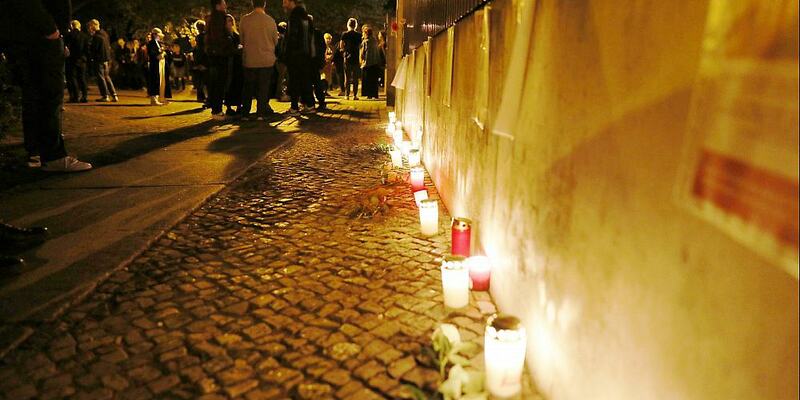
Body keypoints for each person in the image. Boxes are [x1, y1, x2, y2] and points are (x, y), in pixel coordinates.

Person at [0, 0, 93, 172]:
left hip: (32, 37)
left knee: (35, 97)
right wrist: (51, 30)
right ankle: (53, 155)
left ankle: (36, 152)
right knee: (49, 96)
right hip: (41, 38)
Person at [239, 0, 279, 120]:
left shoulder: (245, 20)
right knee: (263, 87)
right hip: (266, 59)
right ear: (264, 4)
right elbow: (275, 41)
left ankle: (245, 113)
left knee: (248, 87)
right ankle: (260, 113)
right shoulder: (270, 20)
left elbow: (242, 40)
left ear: (253, 4)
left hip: (249, 59)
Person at [281, 0, 316, 116]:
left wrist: (287, 53)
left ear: (292, 2)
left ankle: (294, 108)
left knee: (294, 81)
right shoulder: (306, 17)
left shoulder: (294, 16)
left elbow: (293, 37)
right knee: (305, 80)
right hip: (306, 54)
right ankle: (309, 105)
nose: (283, 4)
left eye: (285, 1)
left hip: (295, 54)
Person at [205, 0, 236, 120]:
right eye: (223, 3)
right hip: (220, 56)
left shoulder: (212, 18)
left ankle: (216, 109)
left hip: (214, 55)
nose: (225, 5)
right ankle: (217, 110)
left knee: (216, 83)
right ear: (218, 6)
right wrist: (230, 45)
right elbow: (220, 38)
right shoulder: (219, 18)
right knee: (219, 84)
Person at [88, 19, 118, 102]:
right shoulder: (105, 34)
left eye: (90, 26)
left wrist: (91, 55)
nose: (90, 28)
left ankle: (105, 95)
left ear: (94, 25)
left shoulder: (96, 36)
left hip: (99, 59)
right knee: (107, 76)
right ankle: (114, 94)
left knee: (100, 77)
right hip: (106, 59)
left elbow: (94, 49)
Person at [64, 20, 90, 103]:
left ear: (72, 26)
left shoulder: (69, 35)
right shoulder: (85, 36)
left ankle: (75, 96)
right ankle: (84, 96)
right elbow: (87, 49)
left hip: (71, 59)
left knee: (72, 78)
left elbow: (65, 47)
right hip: (82, 59)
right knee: (82, 78)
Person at [224, 14, 243, 116]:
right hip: (229, 62)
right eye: (227, 21)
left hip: (237, 63)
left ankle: (239, 105)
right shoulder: (224, 36)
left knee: (238, 83)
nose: (229, 23)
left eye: (230, 21)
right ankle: (229, 106)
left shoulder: (236, 35)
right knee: (229, 84)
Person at [308, 15, 327, 111]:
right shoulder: (318, 33)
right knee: (316, 81)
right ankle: (320, 102)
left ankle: (312, 102)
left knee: (311, 82)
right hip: (315, 60)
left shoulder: (307, 33)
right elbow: (323, 47)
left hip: (310, 60)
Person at [341, 18, 361, 100]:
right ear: (355, 25)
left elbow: (341, 45)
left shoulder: (344, 34)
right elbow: (360, 46)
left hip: (347, 57)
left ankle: (347, 95)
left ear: (348, 25)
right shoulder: (359, 35)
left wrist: (344, 51)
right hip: (356, 57)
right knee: (355, 77)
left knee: (347, 77)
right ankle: (355, 95)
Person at [147, 28, 168, 106]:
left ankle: (158, 97)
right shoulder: (151, 43)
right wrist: (160, 53)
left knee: (158, 80)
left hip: (159, 64)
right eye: (159, 35)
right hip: (154, 64)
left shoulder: (157, 42)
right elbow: (153, 54)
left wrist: (163, 52)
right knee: (154, 80)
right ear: (155, 35)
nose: (160, 37)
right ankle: (154, 99)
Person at [360, 25, 381, 100]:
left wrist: (362, 61)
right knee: (374, 80)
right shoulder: (375, 41)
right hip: (375, 63)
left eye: (363, 33)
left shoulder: (365, 42)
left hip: (367, 63)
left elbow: (362, 53)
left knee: (367, 80)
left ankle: (369, 94)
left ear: (366, 33)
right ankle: (375, 94)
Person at [192, 20, 208, 104]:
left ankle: (201, 96)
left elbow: (200, 50)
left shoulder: (201, 37)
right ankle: (203, 96)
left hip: (201, 59)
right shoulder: (204, 36)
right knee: (203, 80)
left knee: (201, 80)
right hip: (202, 59)